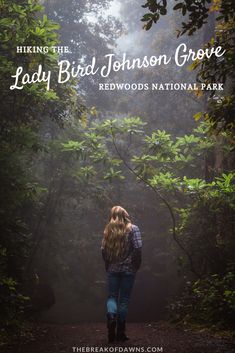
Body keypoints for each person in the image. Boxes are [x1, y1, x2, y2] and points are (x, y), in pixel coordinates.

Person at [101, 206, 142, 343]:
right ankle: (120, 333)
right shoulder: (133, 228)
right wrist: (136, 264)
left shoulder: (108, 230)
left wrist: (108, 265)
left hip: (113, 269)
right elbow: (138, 248)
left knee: (112, 296)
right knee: (124, 300)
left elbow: (103, 250)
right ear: (125, 214)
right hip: (128, 269)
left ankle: (111, 318)